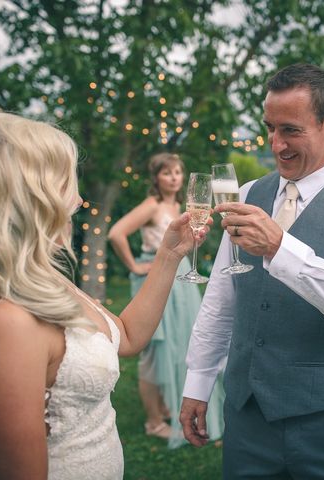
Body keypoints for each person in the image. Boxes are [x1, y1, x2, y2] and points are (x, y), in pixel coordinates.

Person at [0, 112, 210, 479]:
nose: (81, 200)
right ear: (31, 196)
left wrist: (169, 255)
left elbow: (127, 337)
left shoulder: (48, 281)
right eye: (68, 184)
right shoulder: (6, 320)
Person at [179, 63, 324, 479]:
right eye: (270, 128)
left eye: (291, 130)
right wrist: (198, 381)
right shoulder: (249, 194)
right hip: (246, 420)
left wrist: (282, 248)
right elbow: (223, 299)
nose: (276, 144)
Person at [108, 153, 224, 447]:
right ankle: (153, 421)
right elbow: (116, 233)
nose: (174, 177)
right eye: (167, 173)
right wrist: (135, 266)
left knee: (178, 343)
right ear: (156, 178)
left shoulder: (179, 206)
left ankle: (168, 406)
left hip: (180, 277)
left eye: (177, 172)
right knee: (154, 348)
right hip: (156, 275)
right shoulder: (152, 206)